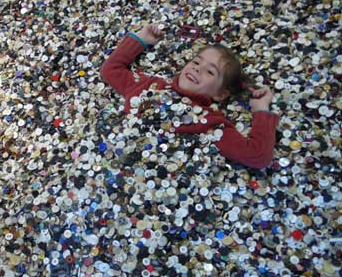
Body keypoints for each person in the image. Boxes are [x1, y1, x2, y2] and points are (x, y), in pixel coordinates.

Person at [100, 23, 279, 169]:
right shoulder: (149, 85)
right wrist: (142, 39)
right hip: (110, 161)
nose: (197, 68)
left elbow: (257, 156)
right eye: (196, 61)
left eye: (209, 71)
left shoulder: (210, 124)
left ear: (220, 94)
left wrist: (260, 109)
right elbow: (110, 70)